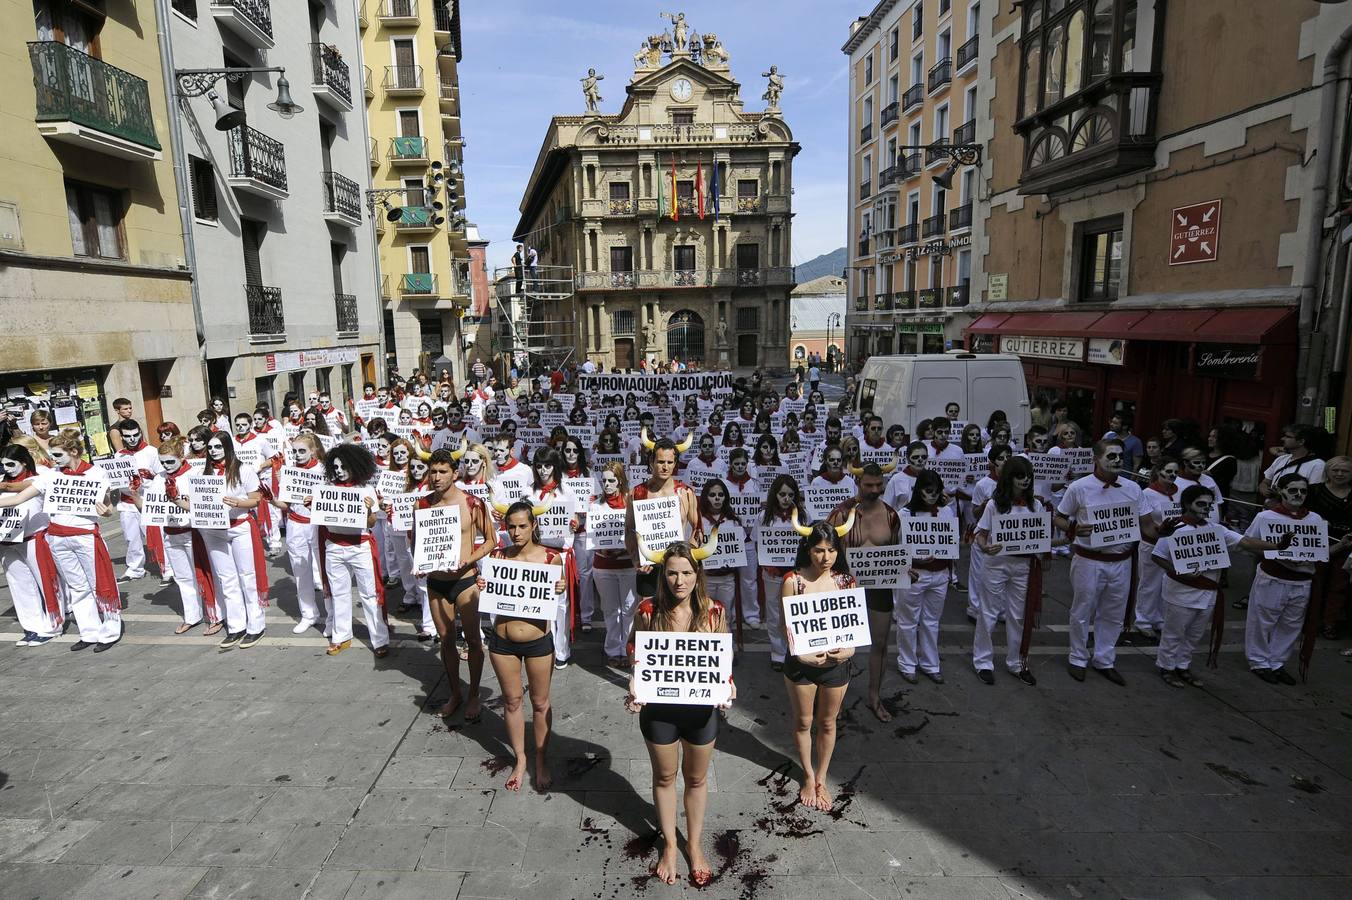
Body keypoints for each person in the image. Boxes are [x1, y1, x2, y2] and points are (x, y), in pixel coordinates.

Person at [624, 541, 732, 888]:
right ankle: (670, 845)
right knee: (664, 778)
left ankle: (694, 844)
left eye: (686, 572)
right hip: (659, 712)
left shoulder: (714, 611)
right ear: (662, 574)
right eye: (671, 572)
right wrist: (634, 679)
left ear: (697, 574)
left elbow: (724, 656)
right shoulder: (647, 609)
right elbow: (633, 647)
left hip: (701, 712)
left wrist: (728, 684)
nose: (679, 580)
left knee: (697, 779)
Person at [1152, 485, 1290, 687]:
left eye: (1209, 505)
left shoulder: (1216, 530)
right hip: (1180, 592)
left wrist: (1277, 546)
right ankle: (1166, 666)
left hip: (1207, 594)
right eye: (1200, 504)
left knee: (1194, 635)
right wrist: (1179, 571)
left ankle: (1182, 666)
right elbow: (1157, 556)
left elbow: (1246, 542)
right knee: (1174, 633)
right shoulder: (1175, 529)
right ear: (1187, 504)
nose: (1205, 508)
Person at [0, 431, 121, 650]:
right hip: (57, 538)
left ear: (73, 452)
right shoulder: (50, 476)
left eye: (57, 455)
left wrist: (106, 512)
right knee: (77, 586)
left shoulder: (97, 473)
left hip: (85, 535)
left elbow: (109, 507)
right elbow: (18, 498)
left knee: (99, 584)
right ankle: (89, 631)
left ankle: (110, 631)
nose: (53, 460)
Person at [477, 501, 568, 791]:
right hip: (502, 642)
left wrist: (560, 587)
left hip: (538, 642)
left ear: (534, 526)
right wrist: (482, 583)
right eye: (511, 526)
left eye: (522, 526)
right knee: (512, 701)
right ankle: (521, 758)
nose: (516, 532)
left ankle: (541, 758)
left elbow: (558, 591)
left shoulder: (551, 558)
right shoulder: (497, 555)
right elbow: (489, 589)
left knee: (540, 703)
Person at [1053, 439, 1144, 685]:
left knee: (1113, 612)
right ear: (1096, 459)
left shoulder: (1133, 489)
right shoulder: (1079, 487)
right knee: (1083, 609)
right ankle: (1078, 657)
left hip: (1121, 561)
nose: (1116, 461)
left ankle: (1104, 659)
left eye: (1119, 456)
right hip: (1089, 560)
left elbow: (1146, 524)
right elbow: (1059, 517)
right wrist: (1073, 528)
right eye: (1111, 456)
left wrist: (1166, 530)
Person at [780, 521, 857, 809]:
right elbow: (785, 626)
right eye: (819, 550)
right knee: (803, 722)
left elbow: (852, 626)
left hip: (836, 665)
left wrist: (846, 651)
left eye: (831, 551)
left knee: (828, 722)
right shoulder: (793, 581)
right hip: (802, 665)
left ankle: (822, 776)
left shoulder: (846, 581)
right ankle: (808, 776)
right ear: (808, 550)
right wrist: (801, 654)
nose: (825, 557)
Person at [1245, 473, 1351, 683]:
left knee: (1291, 624)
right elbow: (1248, 545)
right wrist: (1278, 554)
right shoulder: (1266, 517)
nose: (1299, 494)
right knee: (1263, 620)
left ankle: (1277, 662)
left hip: (1302, 581)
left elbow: (1319, 552)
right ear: (1281, 491)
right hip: (1273, 577)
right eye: (1293, 490)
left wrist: (1341, 545)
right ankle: (1258, 661)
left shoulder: (1314, 519)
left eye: (1303, 491)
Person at [972, 455, 1063, 684]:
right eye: (1020, 476)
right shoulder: (994, 504)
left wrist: (1069, 538)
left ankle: (1016, 662)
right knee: (988, 613)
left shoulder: (1037, 505)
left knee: (1018, 616)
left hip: (1024, 566)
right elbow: (980, 534)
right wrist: (986, 548)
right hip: (997, 563)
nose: (1025, 481)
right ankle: (983, 661)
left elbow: (1042, 538)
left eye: (1028, 477)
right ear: (1009, 478)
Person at [419, 448, 495, 714]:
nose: (437, 477)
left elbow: (491, 540)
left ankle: (474, 693)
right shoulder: (423, 504)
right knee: (445, 638)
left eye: (442, 472)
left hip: (465, 579)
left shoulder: (472, 503)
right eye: (433, 472)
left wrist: (469, 559)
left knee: (473, 640)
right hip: (436, 581)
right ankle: (455, 693)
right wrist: (419, 564)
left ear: (454, 473)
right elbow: (418, 541)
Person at [824, 464, 896, 719]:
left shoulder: (890, 515)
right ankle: (835, 699)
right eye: (869, 485)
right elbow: (824, 550)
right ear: (858, 482)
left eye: (879, 485)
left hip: (879, 587)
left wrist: (904, 568)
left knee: (881, 642)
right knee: (839, 646)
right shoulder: (841, 514)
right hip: (846, 586)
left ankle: (875, 698)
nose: (875, 490)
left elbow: (896, 552)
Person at [195, 432, 269, 649]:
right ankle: (236, 625)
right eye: (210, 448)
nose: (213, 451)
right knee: (226, 578)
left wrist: (238, 502)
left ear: (227, 447)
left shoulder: (243, 470)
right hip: (214, 531)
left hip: (240, 528)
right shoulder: (203, 472)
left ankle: (256, 625)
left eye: (218, 447)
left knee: (247, 576)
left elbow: (256, 499)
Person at [316, 444, 388, 658]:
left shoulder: (365, 490)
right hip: (334, 547)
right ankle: (341, 636)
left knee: (369, 594)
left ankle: (380, 640)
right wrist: (313, 504)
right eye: (335, 467)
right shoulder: (327, 488)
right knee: (339, 594)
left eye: (343, 466)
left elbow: (373, 522)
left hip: (360, 546)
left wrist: (368, 509)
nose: (338, 471)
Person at [143, 437, 215, 635]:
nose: (166, 466)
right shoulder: (159, 478)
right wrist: (134, 495)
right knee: (183, 577)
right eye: (163, 462)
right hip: (170, 533)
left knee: (204, 574)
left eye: (170, 461)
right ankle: (192, 615)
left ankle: (215, 614)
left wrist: (178, 500)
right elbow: (149, 508)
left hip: (193, 533)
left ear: (182, 457)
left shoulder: (195, 473)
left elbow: (203, 505)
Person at [895, 470, 952, 686]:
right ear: (919, 490)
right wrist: (911, 560)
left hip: (939, 574)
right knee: (908, 621)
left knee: (931, 621)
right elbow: (896, 546)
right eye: (929, 492)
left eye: (937, 492)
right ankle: (907, 664)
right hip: (914, 574)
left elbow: (951, 540)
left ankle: (930, 663)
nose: (933, 496)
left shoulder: (946, 513)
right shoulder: (905, 515)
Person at [0, 445, 60, 646]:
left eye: (11, 464)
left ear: (24, 462)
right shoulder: (2, 481)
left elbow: (14, 488)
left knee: (45, 582)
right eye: (3, 465)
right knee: (18, 584)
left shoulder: (37, 479)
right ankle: (32, 626)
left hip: (34, 538)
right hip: (7, 541)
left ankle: (52, 625)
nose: (7, 469)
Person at [269, 434, 327, 634]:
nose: (297, 455)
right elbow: (286, 503)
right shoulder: (290, 472)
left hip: (317, 526)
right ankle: (309, 614)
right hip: (295, 525)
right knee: (301, 573)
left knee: (326, 573)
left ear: (313, 450)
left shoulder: (324, 471)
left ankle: (333, 617)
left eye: (302, 451)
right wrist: (272, 499)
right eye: (294, 451)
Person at [592, 461, 637, 666]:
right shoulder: (595, 505)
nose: (607, 485)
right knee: (610, 609)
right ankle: (612, 649)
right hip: (603, 566)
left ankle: (627, 649)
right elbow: (592, 537)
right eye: (604, 481)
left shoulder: (631, 503)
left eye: (612, 480)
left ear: (620, 481)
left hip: (628, 565)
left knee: (629, 609)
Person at [1134, 458, 1183, 640]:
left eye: (1176, 472)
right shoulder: (1147, 493)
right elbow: (1143, 518)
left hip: (1172, 545)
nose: (1173, 475)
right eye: (1169, 471)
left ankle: (1159, 618)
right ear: (1159, 471)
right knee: (1149, 583)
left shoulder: (1180, 493)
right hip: (1151, 543)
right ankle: (1143, 619)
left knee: (1166, 583)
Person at [1308, 456, 1352, 638]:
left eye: (1345, 471)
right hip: (1316, 545)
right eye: (1335, 470)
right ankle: (1310, 621)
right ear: (1327, 471)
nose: (1340, 474)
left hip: (1347, 547)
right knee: (1315, 583)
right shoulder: (1314, 491)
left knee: (1339, 586)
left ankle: (1330, 623)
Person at [111, 419, 159, 583]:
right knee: (131, 538)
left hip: (147, 500)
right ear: (122, 437)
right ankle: (135, 568)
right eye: (127, 436)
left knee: (154, 535)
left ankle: (167, 567)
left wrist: (148, 476)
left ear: (140, 433)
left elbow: (161, 476)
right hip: (126, 502)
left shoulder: (151, 451)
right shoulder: (118, 455)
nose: (132, 439)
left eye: (135, 435)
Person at [1258, 424, 1325, 499]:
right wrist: (1263, 488)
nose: (1282, 439)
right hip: (1271, 508)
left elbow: (1312, 494)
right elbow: (1266, 482)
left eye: (1288, 437)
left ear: (1301, 441)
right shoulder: (1281, 459)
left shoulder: (1317, 465)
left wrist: (1279, 498)